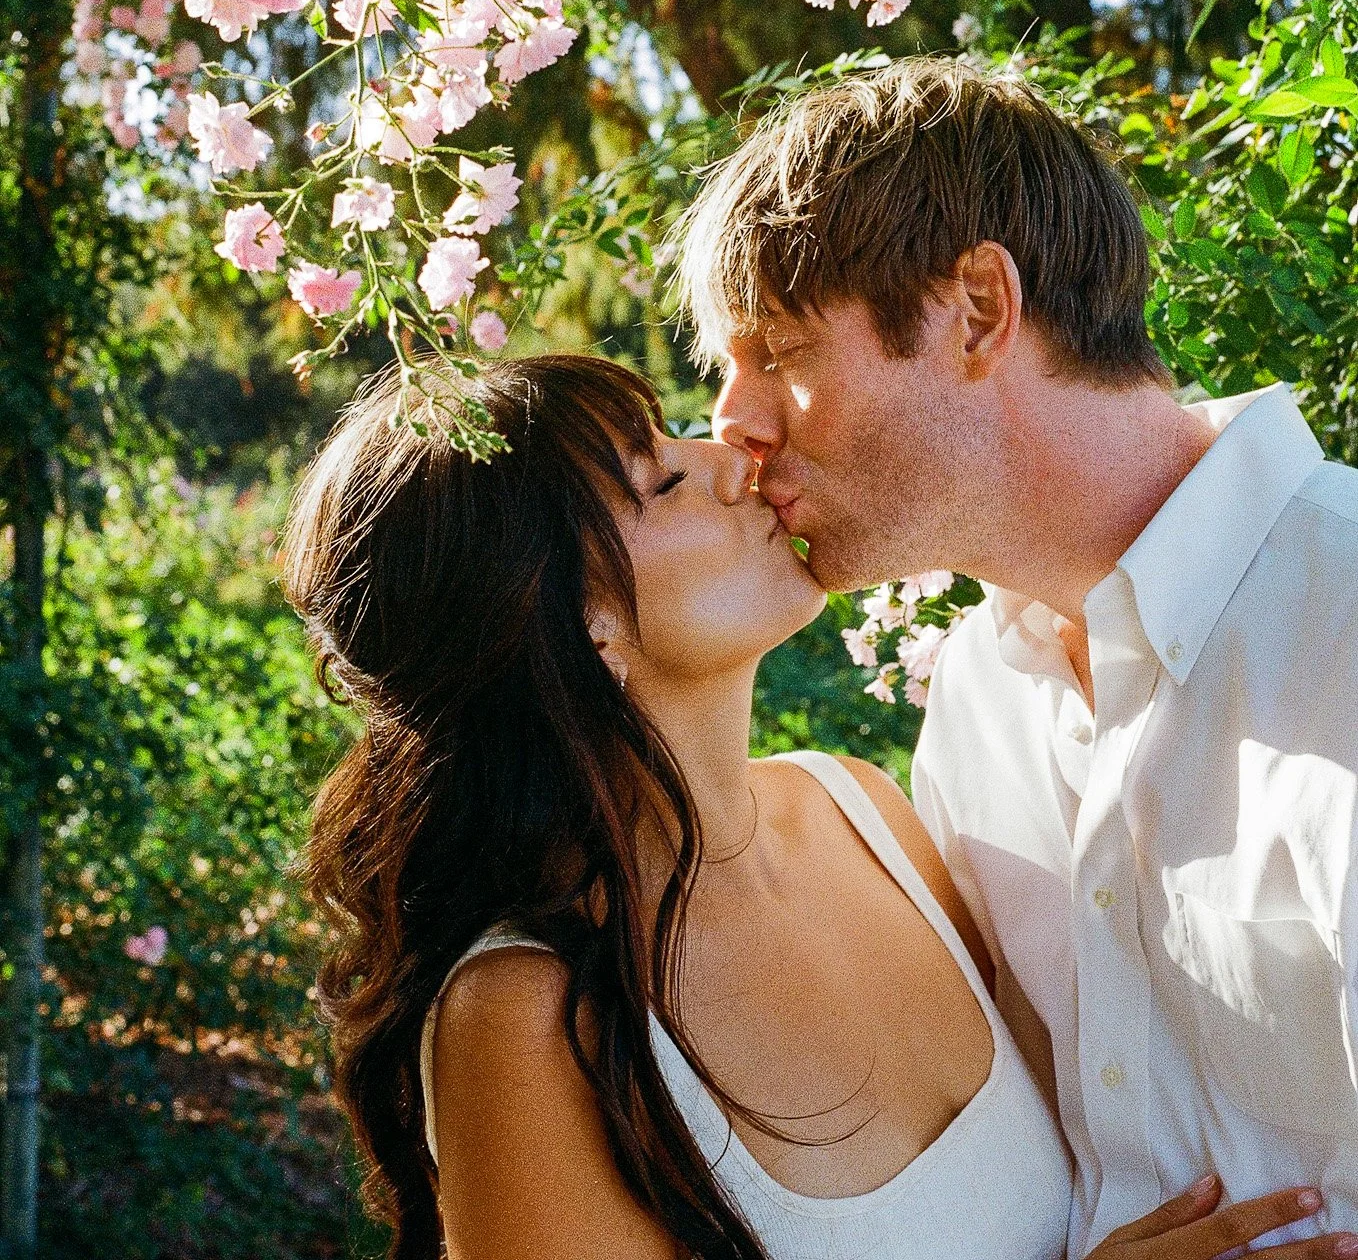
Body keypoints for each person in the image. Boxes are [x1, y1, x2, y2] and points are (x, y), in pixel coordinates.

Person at [283, 352, 1344, 1260]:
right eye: (659, 478)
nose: (734, 458)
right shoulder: (527, 1019)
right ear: (580, 623)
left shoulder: (864, 813)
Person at [681, 54, 1358, 1258]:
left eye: (777, 349)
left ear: (978, 310)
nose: (731, 421)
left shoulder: (1340, 616)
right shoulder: (981, 701)